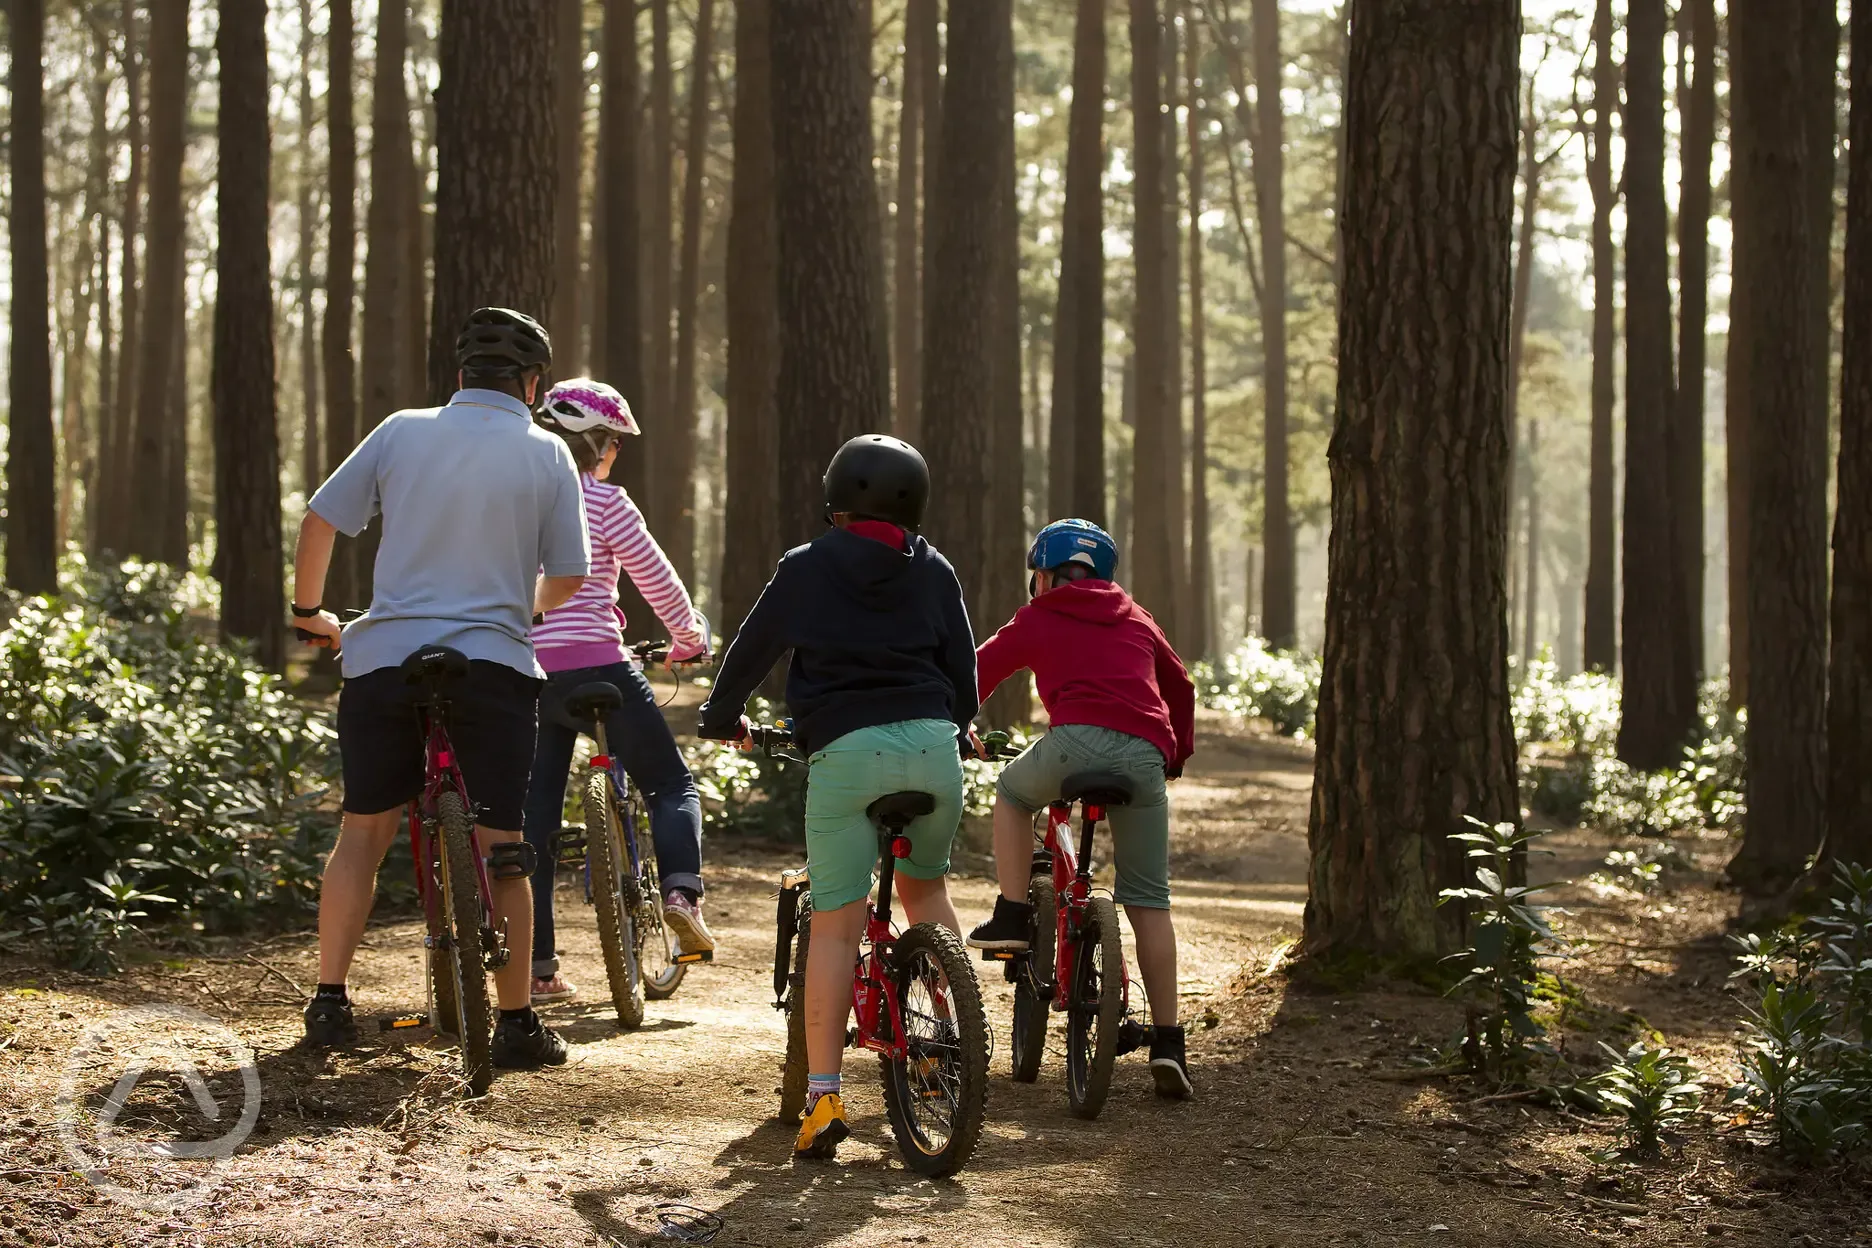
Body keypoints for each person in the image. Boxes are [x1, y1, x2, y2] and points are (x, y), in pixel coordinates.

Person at [290, 307, 588, 1070]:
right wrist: (516, 613)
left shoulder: (400, 430)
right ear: (533, 384)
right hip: (492, 665)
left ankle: (328, 1002)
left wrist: (308, 614)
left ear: (458, 377)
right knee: (506, 847)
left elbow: (320, 521)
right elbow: (571, 574)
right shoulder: (549, 453)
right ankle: (518, 1022)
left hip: (387, 656)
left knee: (363, 829)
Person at [696, 434, 980, 1160]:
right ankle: (955, 1044)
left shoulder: (806, 566)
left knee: (834, 927)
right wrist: (961, 721)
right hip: (932, 749)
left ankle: (824, 1098)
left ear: (837, 501)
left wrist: (721, 717)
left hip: (846, 753)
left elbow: (752, 649)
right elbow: (962, 667)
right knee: (926, 889)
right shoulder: (935, 567)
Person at [966, 518, 1198, 1099]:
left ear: (1044, 575)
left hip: (1075, 744)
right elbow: (1181, 688)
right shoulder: (1136, 614)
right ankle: (1169, 1043)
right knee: (1149, 899)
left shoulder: (1039, 615)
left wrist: (952, 720)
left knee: (1016, 795)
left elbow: (977, 672)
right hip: (1146, 754)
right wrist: (1175, 754)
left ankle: (1015, 916)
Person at [521, 378, 715, 1004]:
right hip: (599, 665)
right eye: (615, 446)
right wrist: (687, 636)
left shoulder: (516, 499)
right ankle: (682, 892)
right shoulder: (605, 501)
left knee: (535, 819)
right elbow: (655, 578)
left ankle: (539, 968)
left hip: (527, 671)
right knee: (670, 783)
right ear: (600, 446)